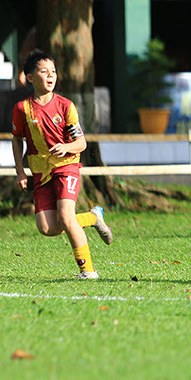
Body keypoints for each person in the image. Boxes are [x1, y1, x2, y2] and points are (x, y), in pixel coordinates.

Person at [11, 49, 113, 279]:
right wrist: (20, 172)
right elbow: (17, 140)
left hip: (67, 167)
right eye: (44, 71)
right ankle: (93, 217)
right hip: (40, 172)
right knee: (48, 228)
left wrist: (66, 147)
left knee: (66, 217)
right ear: (29, 77)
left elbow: (81, 142)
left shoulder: (66, 106)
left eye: (53, 72)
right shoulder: (21, 109)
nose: (50, 76)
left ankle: (87, 271)